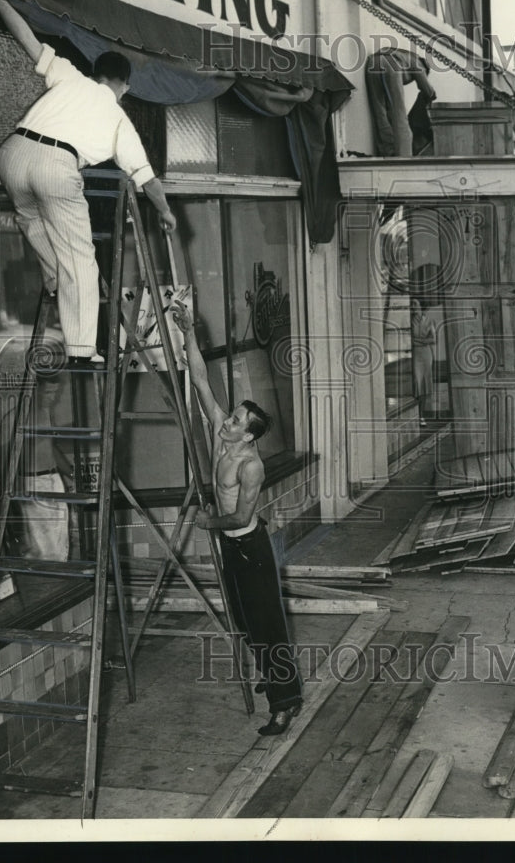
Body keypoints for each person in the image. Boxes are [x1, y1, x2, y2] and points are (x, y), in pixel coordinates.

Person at [0, 0, 177, 367]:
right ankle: (83, 351)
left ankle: (52, 276)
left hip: (12, 153)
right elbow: (147, 180)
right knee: (81, 259)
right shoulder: (119, 118)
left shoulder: (70, 76)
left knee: (33, 220)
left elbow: (27, 39)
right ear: (125, 85)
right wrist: (167, 214)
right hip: (55, 164)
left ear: (95, 73)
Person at [170, 299, 303, 737]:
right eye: (230, 416)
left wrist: (209, 523)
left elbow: (243, 514)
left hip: (250, 546)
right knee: (245, 622)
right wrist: (189, 331)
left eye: (236, 422)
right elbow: (200, 378)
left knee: (267, 623)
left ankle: (285, 702)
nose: (226, 421)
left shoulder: (250, 466)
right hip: (231, 546)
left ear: (248, 436)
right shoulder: (219, 431)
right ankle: (268, 667)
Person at [15, 375, 74, 560]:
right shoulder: (21, 414)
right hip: (33, 482)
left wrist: (71, 472)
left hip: (54, 478)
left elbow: (51, 446)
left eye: (55, 393)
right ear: (34, 389)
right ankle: (46, 582)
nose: (53, 398)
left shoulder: (46, 411)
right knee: (39, 543)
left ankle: (61, 578)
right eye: (48, 392)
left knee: (60, 536)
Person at [365, 47, 437, 157]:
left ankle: (388, 150)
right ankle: (404, 155)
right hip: (391, 64)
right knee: (399, 114)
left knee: (380, 112)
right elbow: (428, 90)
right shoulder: (419, 63)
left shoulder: (404, 55)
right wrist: (432, 96)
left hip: (372, 62)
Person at [411, 299, 436, 426]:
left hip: (426, 355)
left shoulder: (429, 321)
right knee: (417, 382)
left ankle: (421, 416)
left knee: (425, 384)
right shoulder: (410, 321)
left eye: (415, 304)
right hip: (416, 354)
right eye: (412, 304)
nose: (412, 306)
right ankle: (416, 415)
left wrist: (419, 341)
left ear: (421, 306)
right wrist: (423, 341)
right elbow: (410, 341)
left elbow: (433, 339)